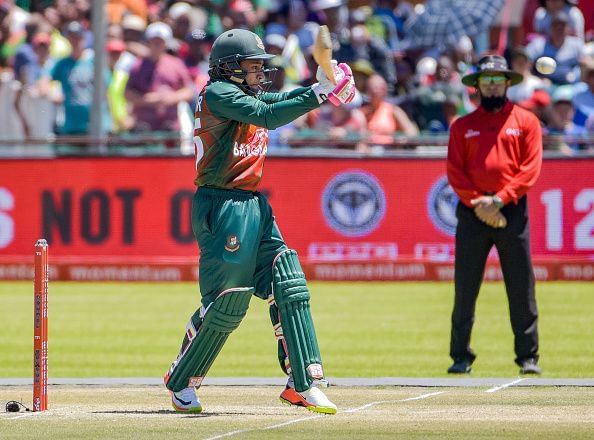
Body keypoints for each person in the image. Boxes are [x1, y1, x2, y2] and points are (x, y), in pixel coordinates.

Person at [163, 28, 355, 414]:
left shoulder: (243, 94)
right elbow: (267, 114)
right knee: (227, 302)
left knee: (289, 280)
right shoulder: (218, 94)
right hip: (222, 203)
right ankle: (181, 381)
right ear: (228, 68)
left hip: (251, 201)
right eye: (251, 68)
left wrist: (321, 85)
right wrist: (321, 93)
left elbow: (278, 100)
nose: (258, 74)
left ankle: (304, 382)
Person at [446, 55, 543, 376]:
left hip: (512, 211)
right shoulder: (462, 125)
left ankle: (528, 357)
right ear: (477, 87)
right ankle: (460, 355)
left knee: (520, 284)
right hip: (473, 213)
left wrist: (499, 200)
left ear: (507, 84)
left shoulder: (525, 121)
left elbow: (530, 169)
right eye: (486, 82)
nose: (491, 87)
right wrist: (480, 204)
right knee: (466, 286)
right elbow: (456, 173)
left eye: (497, 81)